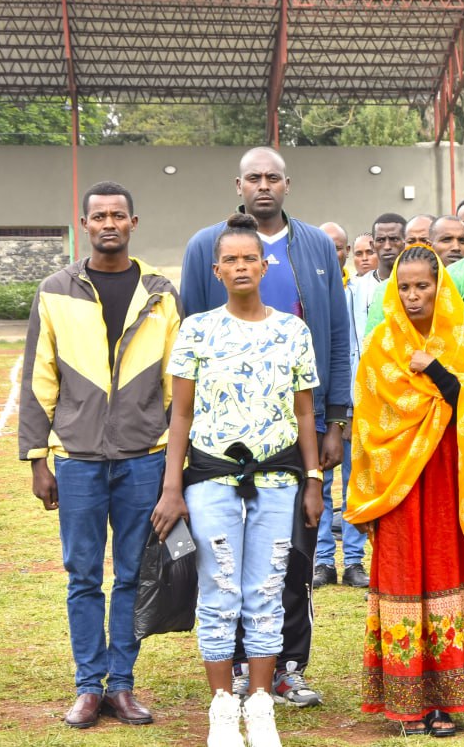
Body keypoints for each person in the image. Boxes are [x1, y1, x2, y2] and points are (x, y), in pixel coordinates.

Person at [181, 146, 351, 708]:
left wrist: (335, 420)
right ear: (238, 183)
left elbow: (333, 339)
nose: (262, 186)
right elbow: (192, 348)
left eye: (272, 178)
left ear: (287, 184)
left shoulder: (317, 246)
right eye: (252, 177)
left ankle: (287, 668)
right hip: (225, 448)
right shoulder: (206, 245)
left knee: (289, 561)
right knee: (227, 566)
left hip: (292, 436)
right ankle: (232, 671)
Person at [152, 212, 323, 747]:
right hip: (210, 480)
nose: (242, 265)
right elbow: (179, 415)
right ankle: (223, 707)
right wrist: (172, 486)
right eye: (232, 259)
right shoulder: (197, 329)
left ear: (265, 263)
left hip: (278, 480)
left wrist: (313, 479)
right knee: (220, 589)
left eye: (251, 257)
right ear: (217, 268)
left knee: (267, 589)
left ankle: (261, 704)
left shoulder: (292, 330)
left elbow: (303, 414)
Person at [20, 181, 181, 730]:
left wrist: (173, 467)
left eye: (118, 215)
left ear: (134, 223)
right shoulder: (55, 290)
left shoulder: (160, 292)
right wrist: (38, 458)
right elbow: (39, 378)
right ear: (84, 224)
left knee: (134, 575)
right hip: (79, 458)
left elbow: (174, 384)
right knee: (83, 575)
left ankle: (123, 685)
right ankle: (89, 686)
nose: (108, 223)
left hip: (144, 457)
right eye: (99, 216)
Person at [344, 245, 464, 737]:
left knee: (445, 573)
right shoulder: (378, 345)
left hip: (450, 480)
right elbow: (368, 425)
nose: (414, 296)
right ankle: (405, 701)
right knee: (402, 574)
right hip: (398, 486)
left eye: (423, 286)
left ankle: (446, 702)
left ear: (440, 287)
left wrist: (433, 368)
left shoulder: (462, 338)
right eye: (405, 287)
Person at [317, 222, 368, 589]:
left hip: (358, 403)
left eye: (339, 247)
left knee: (355, 483)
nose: (334, 253)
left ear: (346, 251)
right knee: (318, 482)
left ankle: (353, 561)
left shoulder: (363, 290)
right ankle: (322, 561)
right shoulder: (310, 290)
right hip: (318, 405)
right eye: (327, 247)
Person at [353, 213, 409, 356]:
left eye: (394, 239)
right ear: (373, 245)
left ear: (405, 241)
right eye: (381, 240)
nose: (387, 246)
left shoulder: (418, 285)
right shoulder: (357, 288)